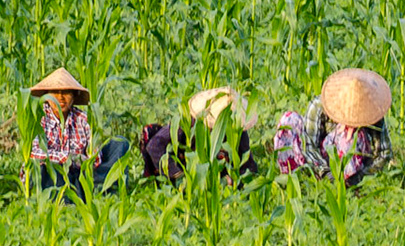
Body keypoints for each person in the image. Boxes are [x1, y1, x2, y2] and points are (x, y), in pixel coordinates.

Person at [269, 68, 393, 185]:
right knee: (288, 120)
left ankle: (345, 182)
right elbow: (309, 145)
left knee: (350, 135)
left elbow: (384, 153)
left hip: (352, 162)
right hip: (318, 158)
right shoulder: (319, 107)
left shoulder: (372, 112)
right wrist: (325, 172)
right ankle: (293, 178)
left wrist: (363, 175)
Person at [27, 68, 129, 197]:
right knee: (47, 168)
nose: (61, 98)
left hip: (79, 174)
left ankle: (100, 190)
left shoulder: (83, 119)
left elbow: (95, 158)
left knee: (119, 144)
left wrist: (81, 160)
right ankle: (74, 196)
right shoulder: (38, 119)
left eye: (66, 92)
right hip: (52, 177)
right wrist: (70, 158)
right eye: (55, 92)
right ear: (47, 95)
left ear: (74, 96)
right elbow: (36, 154)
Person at [140, 86, 260, 183]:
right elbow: (154, 145)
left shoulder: (238, 132)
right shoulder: (189, 124)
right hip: (184, 171)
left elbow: (247, 164)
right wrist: (178, 176)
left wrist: (237, 181)